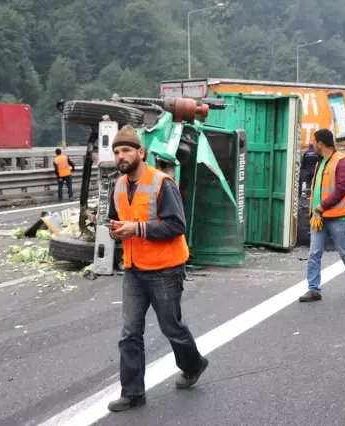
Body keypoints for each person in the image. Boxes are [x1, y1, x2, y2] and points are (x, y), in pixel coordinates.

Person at [106, 125, 208, 412]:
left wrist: (136, 229)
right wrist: (116, 232)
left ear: (141, 152)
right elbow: (118, 220)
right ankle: (133, 393)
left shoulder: (162, 183)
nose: (121, 156)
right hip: (134, 269)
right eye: (116, 152)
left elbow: (177, 225)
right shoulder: (118, 186)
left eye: (126, 150)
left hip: (165, 269)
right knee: (129, 333)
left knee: (171, 327)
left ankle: (194, 364)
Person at [299, 128, 345, 302]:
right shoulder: (321, 162)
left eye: (314, 142)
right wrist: (316, 211)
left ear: (320, 143)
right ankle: (313, 289)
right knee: (314, 253)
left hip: (338, 217)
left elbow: (341, 189)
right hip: (319, 217)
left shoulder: (341, 161)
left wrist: (322, 206)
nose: (312, 145)